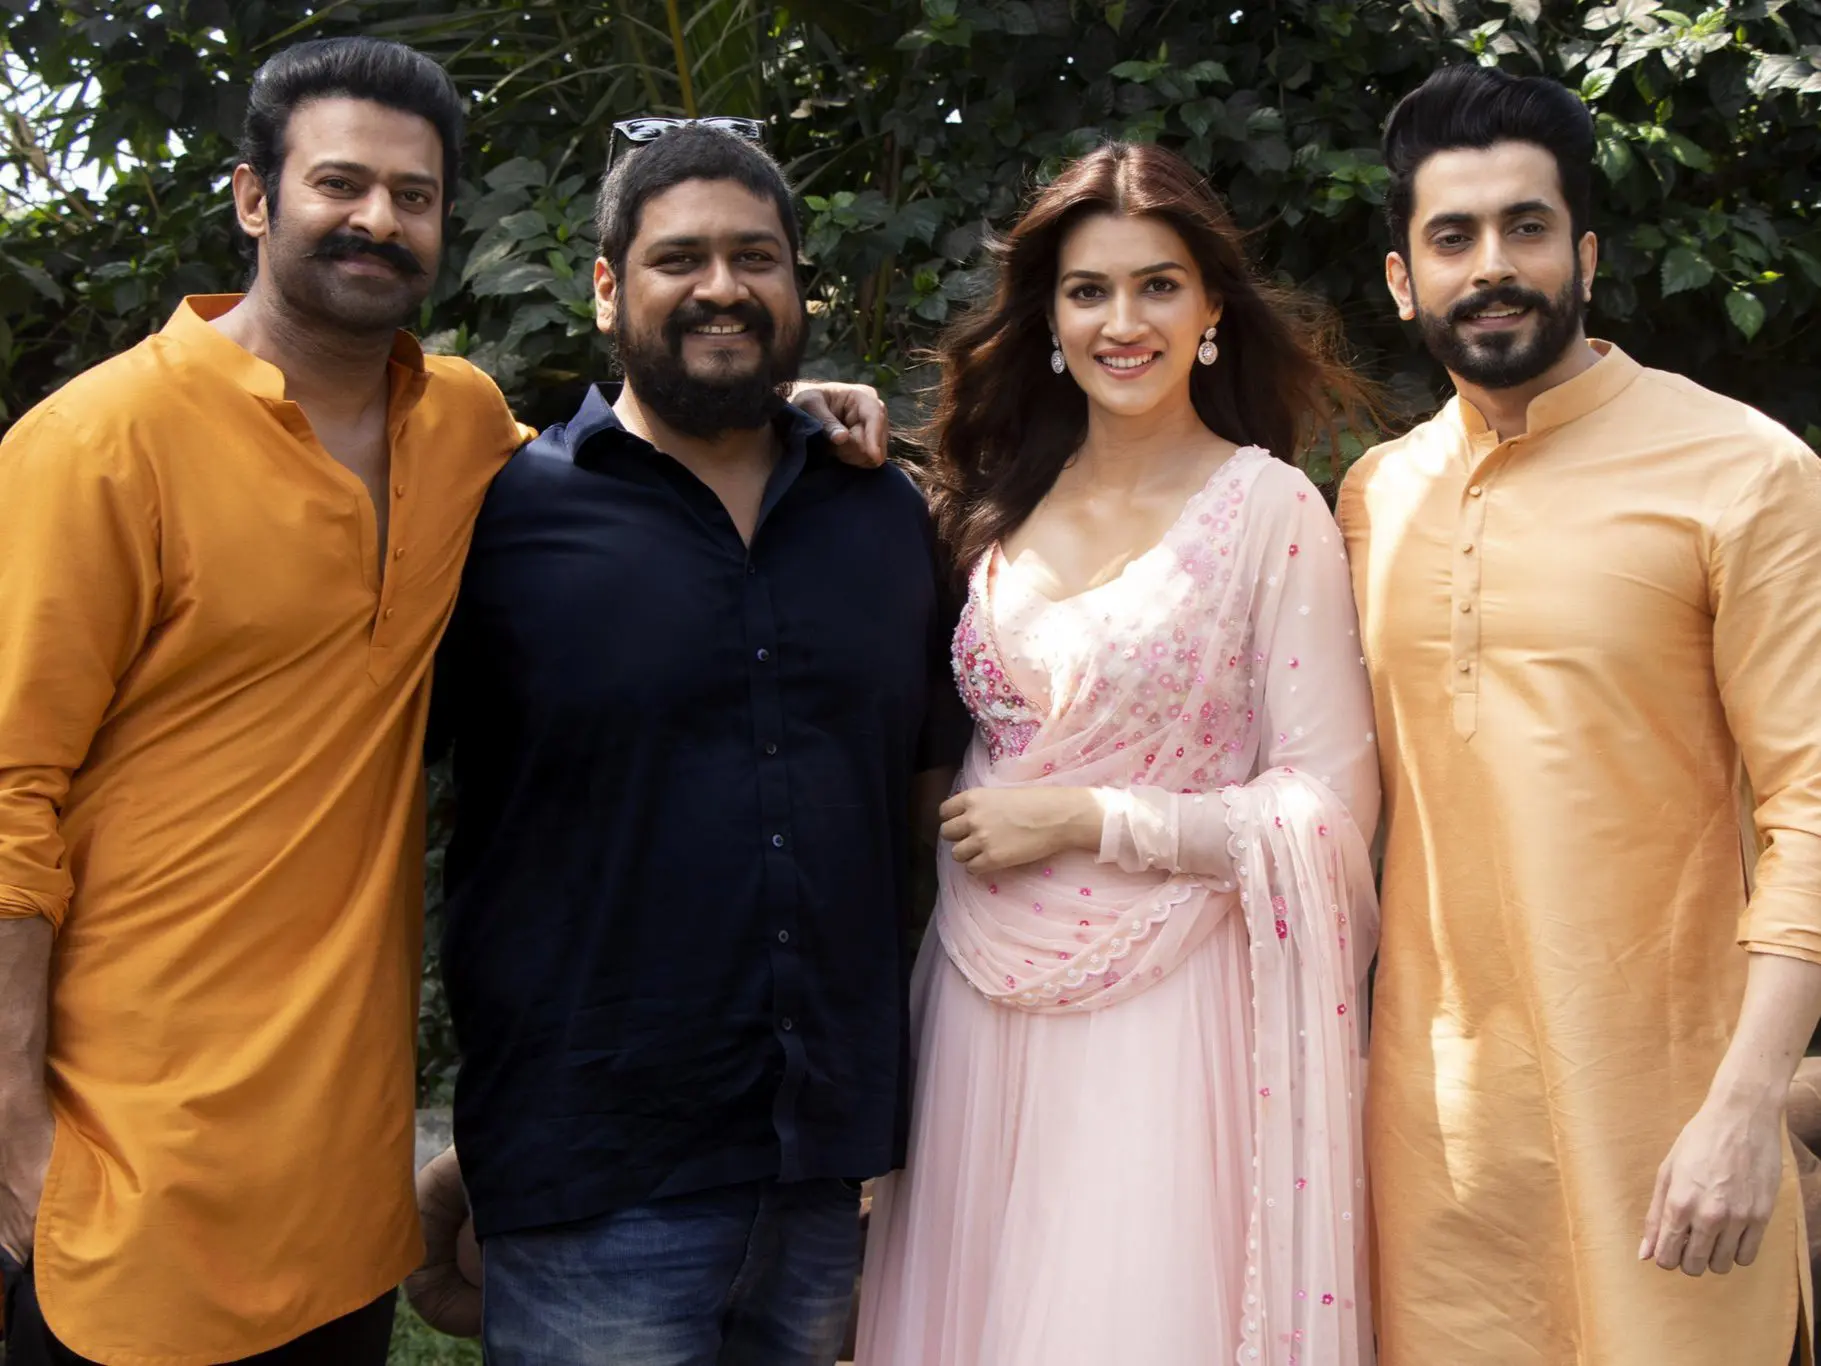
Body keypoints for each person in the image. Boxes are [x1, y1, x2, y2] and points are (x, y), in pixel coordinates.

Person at [0, 39, 882, 1366]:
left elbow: (647, 477)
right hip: (124, 1157)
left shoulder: (462, 431)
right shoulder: (96, 446)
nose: (378, 218)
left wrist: (775, 404)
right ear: (253, 197)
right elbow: (9, 796)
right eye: (340, 184)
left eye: (413, 195)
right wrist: (13, 1128)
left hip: (335, 1185)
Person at [417, 122, 967, 1366]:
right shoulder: (500, 519)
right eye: (680, 259)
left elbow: (928, 812)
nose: (723, 287)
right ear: (607, 287)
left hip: (826, 1172)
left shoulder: (883, 515)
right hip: (593, 1174)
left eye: (755, 257)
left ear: (798, 285)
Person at [854, 141, 1382, 1366]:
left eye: (1158, 286)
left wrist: (1089, 817)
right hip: (980, 996)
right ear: (1048, 317)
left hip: (1169, 1006)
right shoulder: (991, 503)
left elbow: (1328, 807)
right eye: (1088, 290)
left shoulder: (1269, 512)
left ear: (1211, 311)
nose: (1122, 321)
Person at [1339, 63, 1821, 1366]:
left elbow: (1812, 808)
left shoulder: (1746, 473)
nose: (1493, 265)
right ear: (1403, 280)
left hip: (1672, 1144)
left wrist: (1747, 1107)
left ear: (1587, 256)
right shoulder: (1377, 496)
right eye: (1453, 236)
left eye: (1528, 226)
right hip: (1436, 1152)